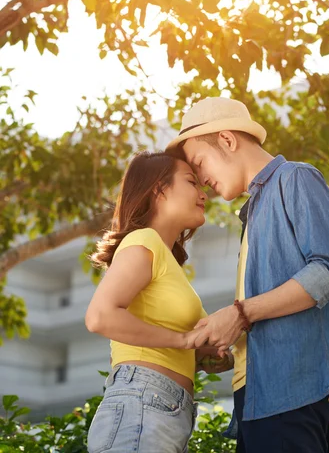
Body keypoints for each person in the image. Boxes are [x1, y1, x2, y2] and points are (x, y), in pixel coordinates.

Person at [166, 96, 329, 453]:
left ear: (227, 140)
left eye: (199, 162)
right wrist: (226, 344)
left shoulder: (295, 178)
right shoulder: (254, 213)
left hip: (292, 391)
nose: (201, 181)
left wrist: (240, 314)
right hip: (257, 396)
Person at [85, 151, 233, 453]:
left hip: (162, 409)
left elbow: (171, 342)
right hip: (142, 402)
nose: (203, 193)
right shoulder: (144, 241)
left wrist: (205, 354)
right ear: (159, 189)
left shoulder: (168, 262)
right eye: (191, 182)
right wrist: (182, 339)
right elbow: (100, 316)